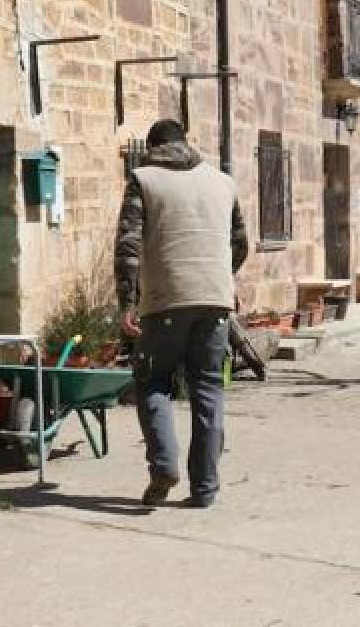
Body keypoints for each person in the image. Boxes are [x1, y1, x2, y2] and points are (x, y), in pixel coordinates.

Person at [114, 120, 248, 508]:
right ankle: (205, 489)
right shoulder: (223, 182)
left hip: (163, 302)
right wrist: (219, 279)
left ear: (152, 146)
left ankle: (163, 466)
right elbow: (240, 243)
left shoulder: (143, 179)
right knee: (208, 390)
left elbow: (128, 246)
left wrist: (127, 302)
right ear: (184, 142)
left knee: (153, 381)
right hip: (216, 301)